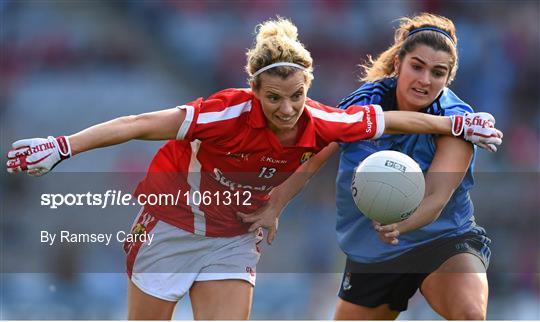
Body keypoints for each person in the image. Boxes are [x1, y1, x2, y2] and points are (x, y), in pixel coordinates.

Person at [6, 17, 501, 320]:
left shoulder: (321, 117)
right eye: (274, 99)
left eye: (297, 97)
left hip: (234, 238)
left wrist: (462, 122)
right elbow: (137, 123)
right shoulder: (221, 113)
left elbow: (387, 120)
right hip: (170, 228)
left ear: (308, 89)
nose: (287, 110)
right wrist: (62, 146)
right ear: (254, 91)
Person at [239, 13, 497, 320]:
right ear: (398, 63)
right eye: (417, 66)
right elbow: (314, 156)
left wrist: (400, 225)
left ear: (448, 78)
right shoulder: (362, 104)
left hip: (443, 241)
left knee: (470, 314)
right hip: (376, 251)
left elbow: (436, 197)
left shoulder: (458, 122)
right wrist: (275, 205)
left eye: (438, 72)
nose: (425, 80)